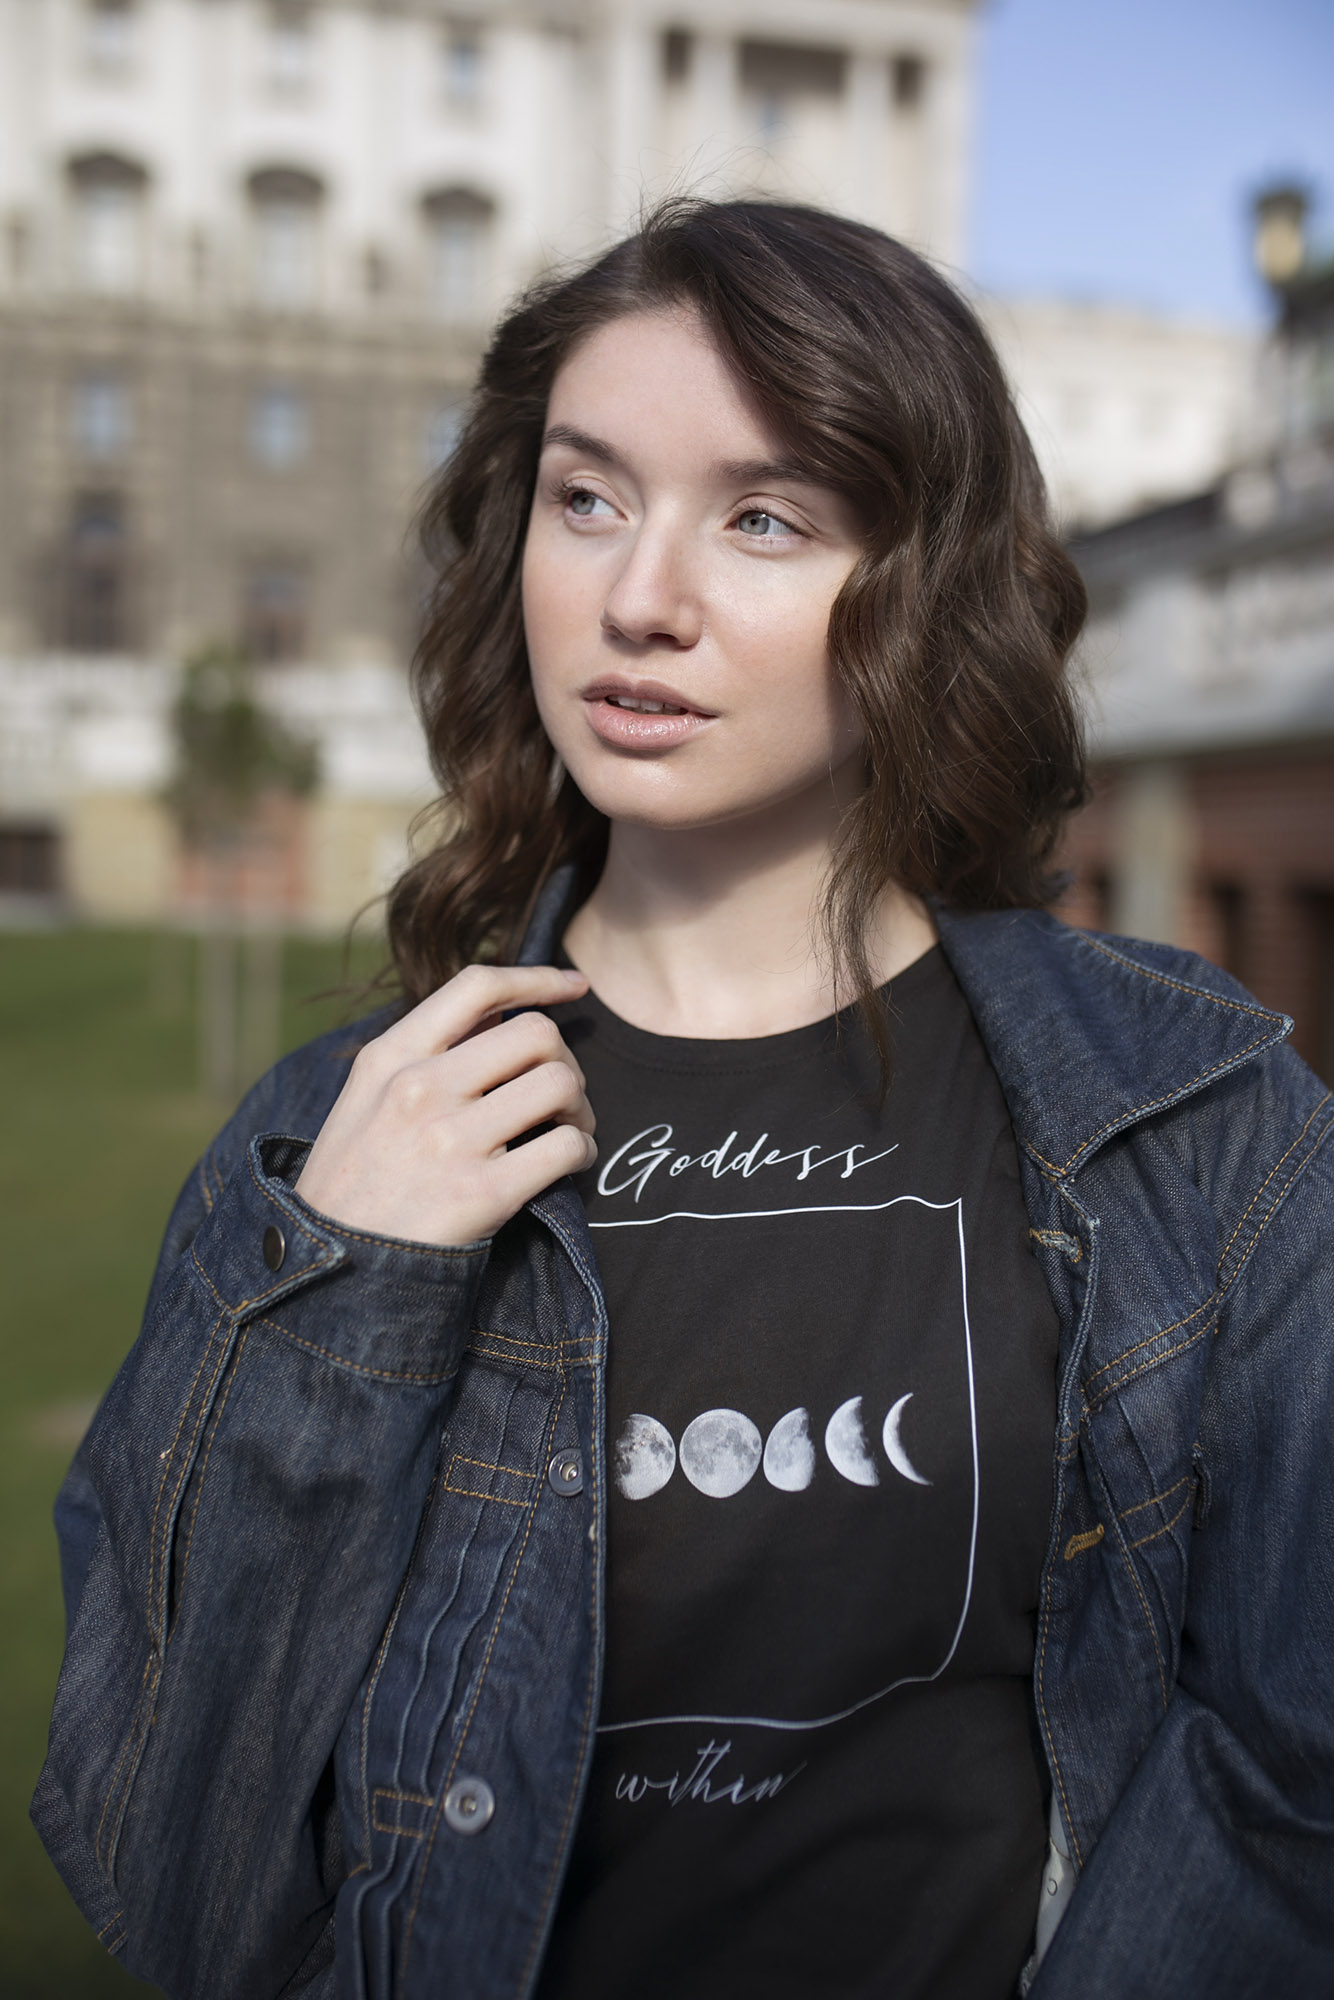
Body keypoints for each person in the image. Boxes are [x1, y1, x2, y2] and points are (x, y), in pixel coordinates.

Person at [33, 200, 1334, 2000]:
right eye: (588, 497)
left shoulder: (1191, 1115)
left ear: (926, 586)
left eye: (762, 517)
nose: (639, 597)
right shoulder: (331, 1141)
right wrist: (352, 1297)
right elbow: (169, 1869)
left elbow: (1294, 1768)